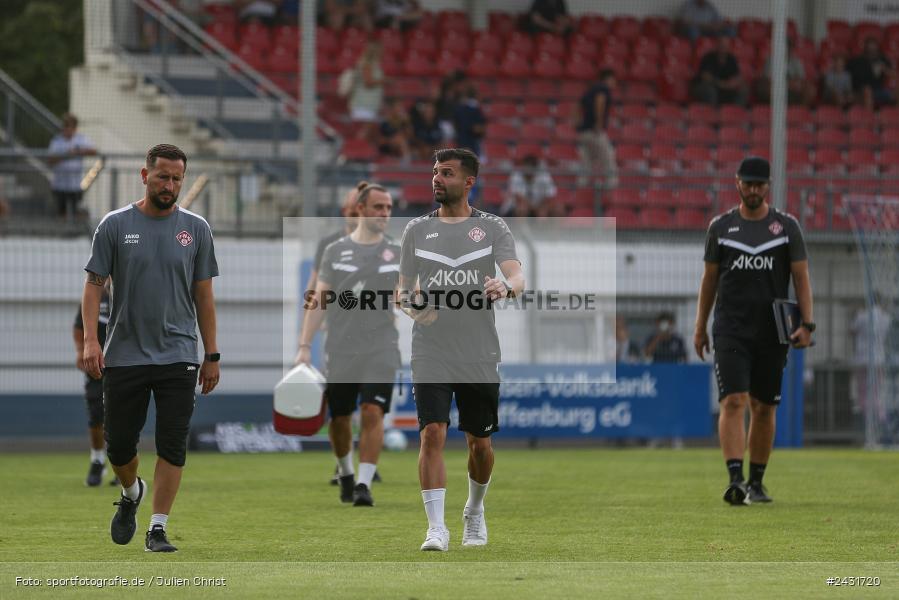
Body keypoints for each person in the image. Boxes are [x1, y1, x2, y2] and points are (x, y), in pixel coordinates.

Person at [82, 143, 219, 552]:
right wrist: (91, 339)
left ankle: (157, 528)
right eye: (163, 176)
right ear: (145, 176)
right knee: (120, 446)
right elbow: (92, 288)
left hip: (179, 355)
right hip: (124, 354)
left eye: (177, 178)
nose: (170, 185)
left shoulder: (196, 229)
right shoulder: (114, 225)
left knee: (172, 443)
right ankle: (130, 494)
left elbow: (205, 297)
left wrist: (211, 354)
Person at [397, 148, 525, 551]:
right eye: (435, 171)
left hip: (478, 350)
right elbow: (402, 292)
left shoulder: (492, 228)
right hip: (430, 348)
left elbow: (517, 275)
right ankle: (436, 528)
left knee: (479, 445)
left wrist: (504, 287)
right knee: (431, 433)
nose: (437, 178)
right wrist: (418, 312)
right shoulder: (416, 230)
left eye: (447, 173)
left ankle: (474, 509)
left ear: (469, 182)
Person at [694, 156, 814, 506]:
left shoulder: (787, 227)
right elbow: (709, 280)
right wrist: (700, 326)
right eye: (747, 183)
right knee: (733, 401)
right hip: (731, 329)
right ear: (737, 183)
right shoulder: (720, 227)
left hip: (773, 330)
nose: (753, 190)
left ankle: (757, 482)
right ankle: (735, 480)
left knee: (764, 407)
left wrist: (807, 324)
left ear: (768, 186)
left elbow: (802, 278)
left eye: (759, 184)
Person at [297, 184, 400, 507]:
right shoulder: (334, 251)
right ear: (360, 210)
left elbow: (410, 293)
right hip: (341, 346)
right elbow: (319, 301)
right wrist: (304, 345)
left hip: (382, 345)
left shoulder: (397, 252)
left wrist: (419, 305)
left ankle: (364, 483)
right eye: (378, 207)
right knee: (339, 417)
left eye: (388, 208)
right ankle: (345, 472)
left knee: (373, 411)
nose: (384, 214)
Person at [73, 280, 118, 487]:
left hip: (125, 363)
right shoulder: (94, 296)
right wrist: (80, 350)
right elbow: (78, 326)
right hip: (97, 364)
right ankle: (98, 459)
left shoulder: (129, 293)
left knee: (124, 414)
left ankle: (123, 462)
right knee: (96, 411)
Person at [47, 113, 97, 220]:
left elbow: (93, 151)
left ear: (74, 128)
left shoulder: (81, 139)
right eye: (66, 127)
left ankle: (74, 233)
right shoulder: (56, 141)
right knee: (61, 213)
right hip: (59, 184)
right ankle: (62, 233)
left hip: (74, 184)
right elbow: (50, 159)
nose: (68, 130)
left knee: (75, 212)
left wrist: (78, 151)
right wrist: (66, 155)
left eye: (71, 127)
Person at [850, 295, 892, 414]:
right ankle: (879, 416)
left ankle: (865, 414)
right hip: (879, 358)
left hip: (862, 358)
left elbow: (852, 331)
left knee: (862, 390)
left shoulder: (861, 315)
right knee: (877, 390)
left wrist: (855, 313)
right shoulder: (886, 318)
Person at [577, 69, 618, 190]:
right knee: (608, 157)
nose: (614, 82)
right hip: (595, 131)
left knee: (586, 161)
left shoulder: (590, 90)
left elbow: (578, 106)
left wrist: (577, 121)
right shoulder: (602, 88)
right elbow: (600, 102)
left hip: (584, 131)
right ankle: (612, 185)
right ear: (608, 78)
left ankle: (582, 186)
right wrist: (599, 123)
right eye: (613, 80)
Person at [756, 39, 815, 107]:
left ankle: (800, 112)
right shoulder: (771, 60)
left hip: (793, 89)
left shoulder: (796, 61)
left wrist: (794, 84)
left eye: (790, 47)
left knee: (810, 89)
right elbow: (768, 79)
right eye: (786, 47)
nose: (788, 50)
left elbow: (801, 79)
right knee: (768, 87)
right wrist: (788, 83)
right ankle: (775, 110)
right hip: (777, 88)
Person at [692, 36, 747, 107]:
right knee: (710, 91)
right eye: (722, 45)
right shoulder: (708, 57)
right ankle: (712, 114)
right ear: (717, 45)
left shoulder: (731, 59)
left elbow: (738, 76)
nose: (723, 48)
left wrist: (734, 83)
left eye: (726, 46)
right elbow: (705, 77)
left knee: (743, 89)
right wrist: (721, 84)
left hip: (725, 86)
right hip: (704, 85)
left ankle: (735, 113)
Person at [347, 41, 387, 141]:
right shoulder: (366, 64)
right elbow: (368, 82)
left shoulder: (375, 64)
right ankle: (356, 154)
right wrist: (384, 81)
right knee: (362, 134)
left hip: (371, 105)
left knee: (368, 134)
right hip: (363, 105)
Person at [848, 37, 896, 110]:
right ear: (865, 48)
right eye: (869, 47)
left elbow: (894, 74)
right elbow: (847, 74)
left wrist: (885, 69)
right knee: (867, 90)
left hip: (879, 89)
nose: (871, 50)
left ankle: (894, 117)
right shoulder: (857, 60)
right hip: (861, 90)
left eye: (873, 47)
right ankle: (869, 118)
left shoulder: (882, 59)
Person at [452, 85, 487, 159]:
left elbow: (481, 128)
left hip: (475, 143)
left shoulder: (475, 110)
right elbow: (474, 128)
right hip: (465, 141)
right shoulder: (463, 110)